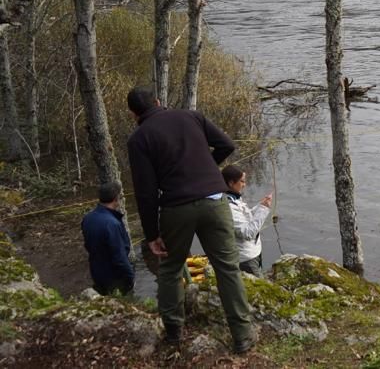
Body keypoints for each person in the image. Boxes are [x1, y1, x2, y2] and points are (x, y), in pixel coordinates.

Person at [125, 86, 255, 354]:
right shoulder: (191, 116)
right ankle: (242, 336)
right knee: (227, 268)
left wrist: (152, 234)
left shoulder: (139, 139)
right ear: (159, 101)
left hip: (176, 208)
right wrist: (207, 165)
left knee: (171, 269)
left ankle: (173, 334)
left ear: (133, 114)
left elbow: (146, 192)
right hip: (215, 200)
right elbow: (226, 144)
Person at [81, 181, 135, 296]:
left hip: (97, 273)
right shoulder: (112, 224)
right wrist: (130, 277)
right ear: (116, 199)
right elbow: (119, 256)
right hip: (115, 277)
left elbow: (88, 246)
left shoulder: (87, 218)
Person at [222, 165, 272, 276]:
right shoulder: (227, 206)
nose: (244, 185)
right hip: (245, 259)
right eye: (242, 181)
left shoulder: (233, 198)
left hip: (253, 252)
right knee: (259, 289)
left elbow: (245, 219)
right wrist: (263, 210)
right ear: (231, 183)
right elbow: (248, 233)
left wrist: (260, 206)